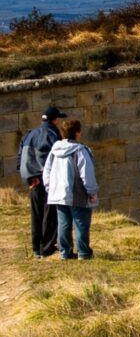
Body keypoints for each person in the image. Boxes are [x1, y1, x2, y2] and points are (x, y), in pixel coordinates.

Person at [43, 120, 99, 260]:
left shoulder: (54, 150)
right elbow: (86, 173)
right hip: (77, 193)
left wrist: (51, 188)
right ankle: (84, 253)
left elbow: (47, 172)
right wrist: (91, 192)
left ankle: (65, 253)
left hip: (58, 193)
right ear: (77, 133)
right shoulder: (80, 150)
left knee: (64, 224)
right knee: (81, 224)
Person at [16, 106, 66, 259]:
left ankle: (36, 247)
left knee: (36, 213)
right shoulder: (51, 133)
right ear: (55, 120)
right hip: (45, 178)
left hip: (33, 179)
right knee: (50, 213)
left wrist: (29, 178)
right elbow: (55, 156)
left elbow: (20, 158)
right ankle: (47, 247)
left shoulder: (30, 134)